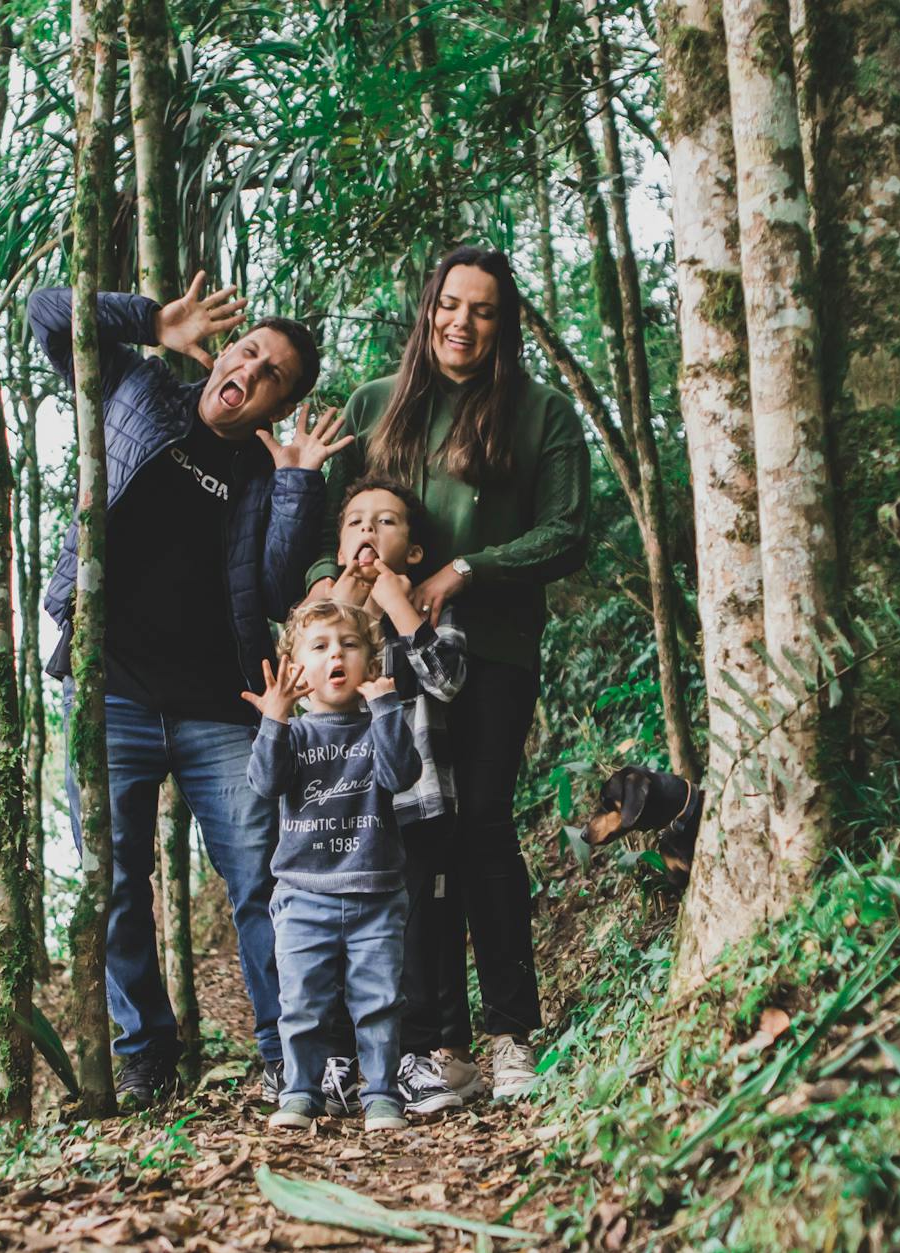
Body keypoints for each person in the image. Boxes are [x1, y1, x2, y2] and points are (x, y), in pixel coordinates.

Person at [28, 274, 353, 1109]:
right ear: (220, 357)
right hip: (112, 693)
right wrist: (151, 321)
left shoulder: (268, 470)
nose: (252, 368)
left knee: (258, 879)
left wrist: (296, 486)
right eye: (248, 351)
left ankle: (289, 1048)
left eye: (274, 372)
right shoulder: (138, 391)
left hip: (220, 709)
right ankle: (146, 1054)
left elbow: (282, 589)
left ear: (277, 402)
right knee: (111, 881)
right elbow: (43, 312)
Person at [306, 246, 591, 1102]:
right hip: (386, 669)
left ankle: (510, 1034)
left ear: (503, 326)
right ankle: (434, 1044)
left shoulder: (539, 413)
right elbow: (329, 531)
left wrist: (461, 570)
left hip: (489, 655)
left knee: (485, 829)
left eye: (483, 310)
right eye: (449, 305)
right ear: (428, 308)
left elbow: (569, 531)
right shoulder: (374, 406)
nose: (461, 323)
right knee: (406, 846)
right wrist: (335, 586)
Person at [312, 476, 472, 1117]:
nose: (369, 532)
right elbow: (299, 691)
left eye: (386, 522)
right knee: (340, 936)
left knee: (415, 935)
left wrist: (400, 607)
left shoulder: (429, 615)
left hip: (417, 805)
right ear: (340, 543)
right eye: (356, 522)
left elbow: (449, 681)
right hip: (341, 812)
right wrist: (346, 613)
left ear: (411, 550)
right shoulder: (325, 623)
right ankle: (343, 1061)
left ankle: (416, 1058)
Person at [245, 600, 421, 1133]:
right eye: (319, 647)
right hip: (303, 895)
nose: (335, 656)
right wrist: (274, 720)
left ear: (370, 661)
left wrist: (388, 707)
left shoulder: (378, 725)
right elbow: (264, 783)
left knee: (379, 1002)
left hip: (376, 893)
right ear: (296, 667)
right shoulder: (294, 735)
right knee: (301, 1004)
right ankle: (300, 1093)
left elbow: (401, 776)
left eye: (348, 645)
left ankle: (383, 1096)